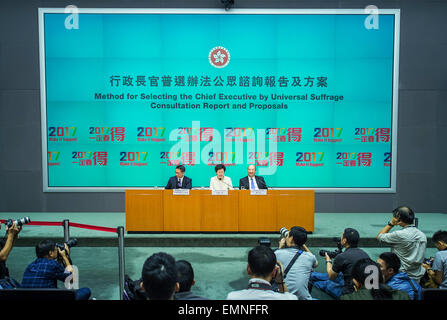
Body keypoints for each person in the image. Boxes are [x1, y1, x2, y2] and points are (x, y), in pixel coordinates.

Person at [21, 240, 91, 300]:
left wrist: (59, 260)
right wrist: (65, 257)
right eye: (55, 250)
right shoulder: (52, 264)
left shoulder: (30, 266)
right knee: (86, 291)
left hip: (27, 297)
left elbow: (53, 271)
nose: (57, 251)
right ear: (50, 253)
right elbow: (71, 279)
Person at [227, 246, 297, 300]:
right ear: (274, 271)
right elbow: (287, 296)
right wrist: (280, 281)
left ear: (248, 269)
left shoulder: (232, 297)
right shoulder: (290, 298)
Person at [376, 206, 427, 282]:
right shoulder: (422, 235)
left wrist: (391, 223)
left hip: (400, 277)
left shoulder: (399, 235)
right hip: (417, 278)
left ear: (399, 219)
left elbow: (379, 236)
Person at [321, 228, 370, 297]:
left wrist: (328, 260)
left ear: (344, 241)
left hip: (349, 293)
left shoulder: (341, 257)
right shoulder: (365, 254)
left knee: (326, 283)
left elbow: (331, 276)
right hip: (364, 289)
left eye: (341, 237)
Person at [274, 226, 317, 300]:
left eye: (287, 235)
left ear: (291, 238)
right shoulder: (310, 257)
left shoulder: (277, 254)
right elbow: (316, 263)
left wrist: (280, 247)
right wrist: (302, 244)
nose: (286, 237)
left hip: (283, 297)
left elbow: (271, 262)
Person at [340, 258, 410, 300]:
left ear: (356, 283)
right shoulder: (403, 296)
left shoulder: (348, 298)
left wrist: (357, 293)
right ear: (381, 277)